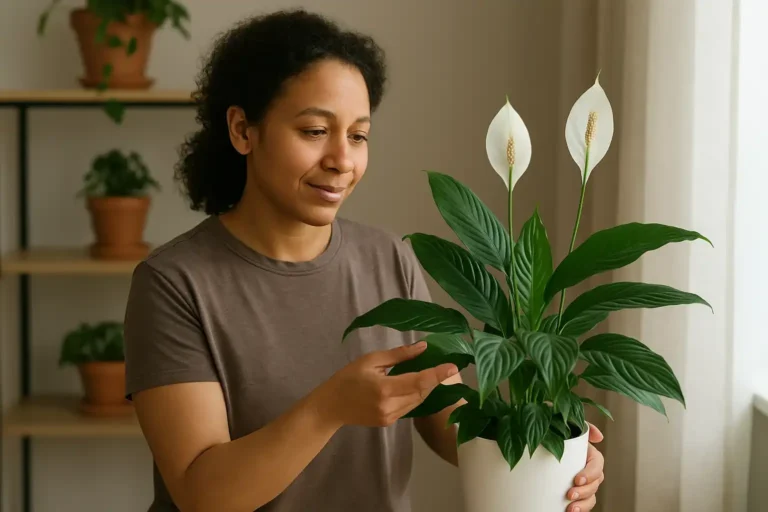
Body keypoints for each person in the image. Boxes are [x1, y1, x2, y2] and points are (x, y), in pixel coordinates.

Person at [123, 8, 605, 512]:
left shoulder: (389, 259)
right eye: (314, 131)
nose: (342, 160)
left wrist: (555, 453)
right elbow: (202, 494)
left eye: (358, 135)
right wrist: (328, 408)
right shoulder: (174, 284)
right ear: (243, 130)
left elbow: (450, 427)